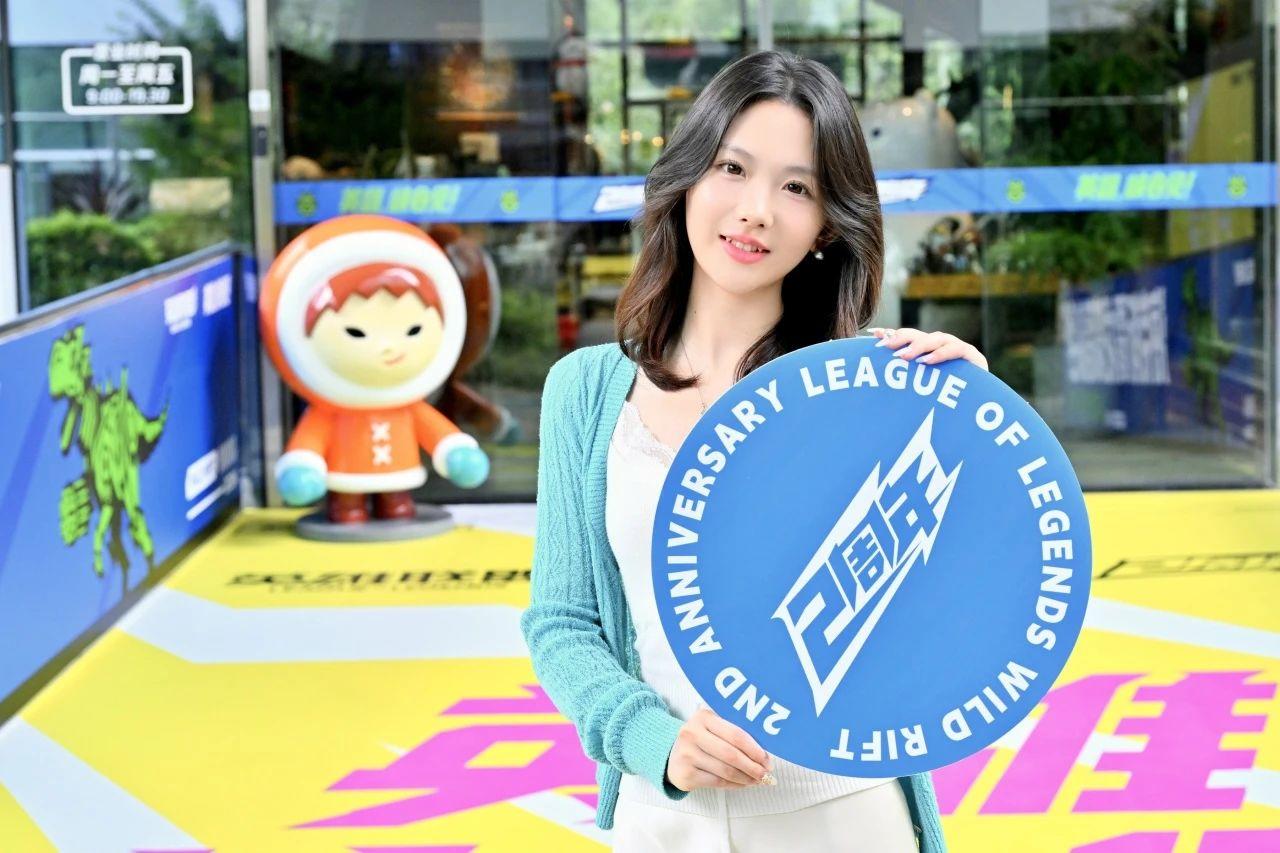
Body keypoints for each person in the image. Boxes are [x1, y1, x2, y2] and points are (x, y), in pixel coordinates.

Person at [520, 50, 987, 852]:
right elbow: (562, 622)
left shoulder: (870, 389)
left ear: (827, 223)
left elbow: (957, 597)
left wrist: (969, 428)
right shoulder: (585, 391)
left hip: (844, 810)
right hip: (662, 816)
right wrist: (654, 740)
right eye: (732, 168)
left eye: (797, 187)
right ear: (687, 176)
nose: (756, 210)